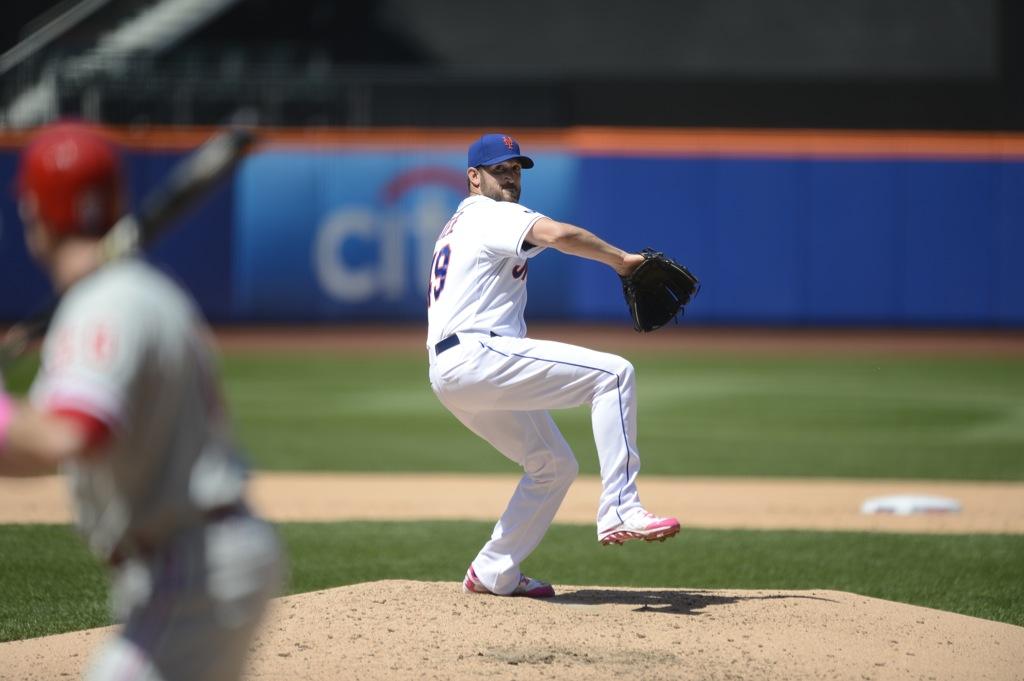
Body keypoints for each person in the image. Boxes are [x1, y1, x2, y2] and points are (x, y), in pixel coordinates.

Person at [0, 121, 283, 680]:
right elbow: (46, 443)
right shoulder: (131, 294)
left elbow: (67, 436)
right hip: (204, 557)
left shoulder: (103, 305)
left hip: (192, 567)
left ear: (36, 213)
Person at [426, 133, 680, 598]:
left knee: (553, 465)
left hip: (454, 372)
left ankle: (493, 570)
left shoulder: (460, 223)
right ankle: (620, 508)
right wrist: (622, 262)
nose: (510, 175)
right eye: (499, 168)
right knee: (614, 374)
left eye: (516, 168)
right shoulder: (489, 214)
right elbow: (561, 235)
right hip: (478, 355)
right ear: (473, 177)